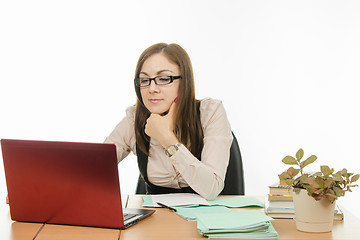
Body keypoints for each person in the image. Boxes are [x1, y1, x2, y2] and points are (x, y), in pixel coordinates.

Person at [105, 43, 233, 200]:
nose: (152, 88)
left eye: (164, 78)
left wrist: (167, 139)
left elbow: (212, 189)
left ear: (184, 81)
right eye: (144, 80)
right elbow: (96, 166)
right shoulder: (134, 119)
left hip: (205, 219)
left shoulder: (210, 112)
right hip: (157, 220)